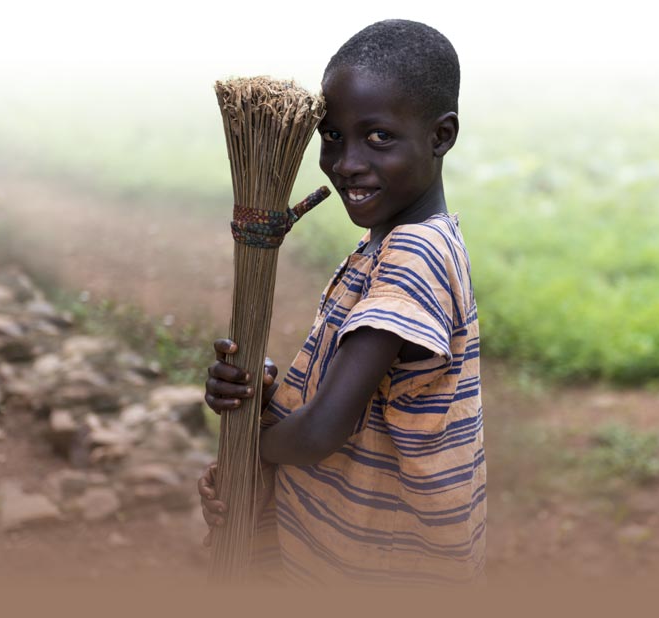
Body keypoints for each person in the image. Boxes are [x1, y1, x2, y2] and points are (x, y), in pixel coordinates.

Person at [197, 18, 484, 585]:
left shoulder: (415, 256)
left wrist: (247, 452)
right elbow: (341, 393)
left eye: (378, 137)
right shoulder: (384, 245)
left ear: (441, 136)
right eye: (332, 136)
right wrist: (265, 393)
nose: (347, 162)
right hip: (340, 550)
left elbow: (324, 430)